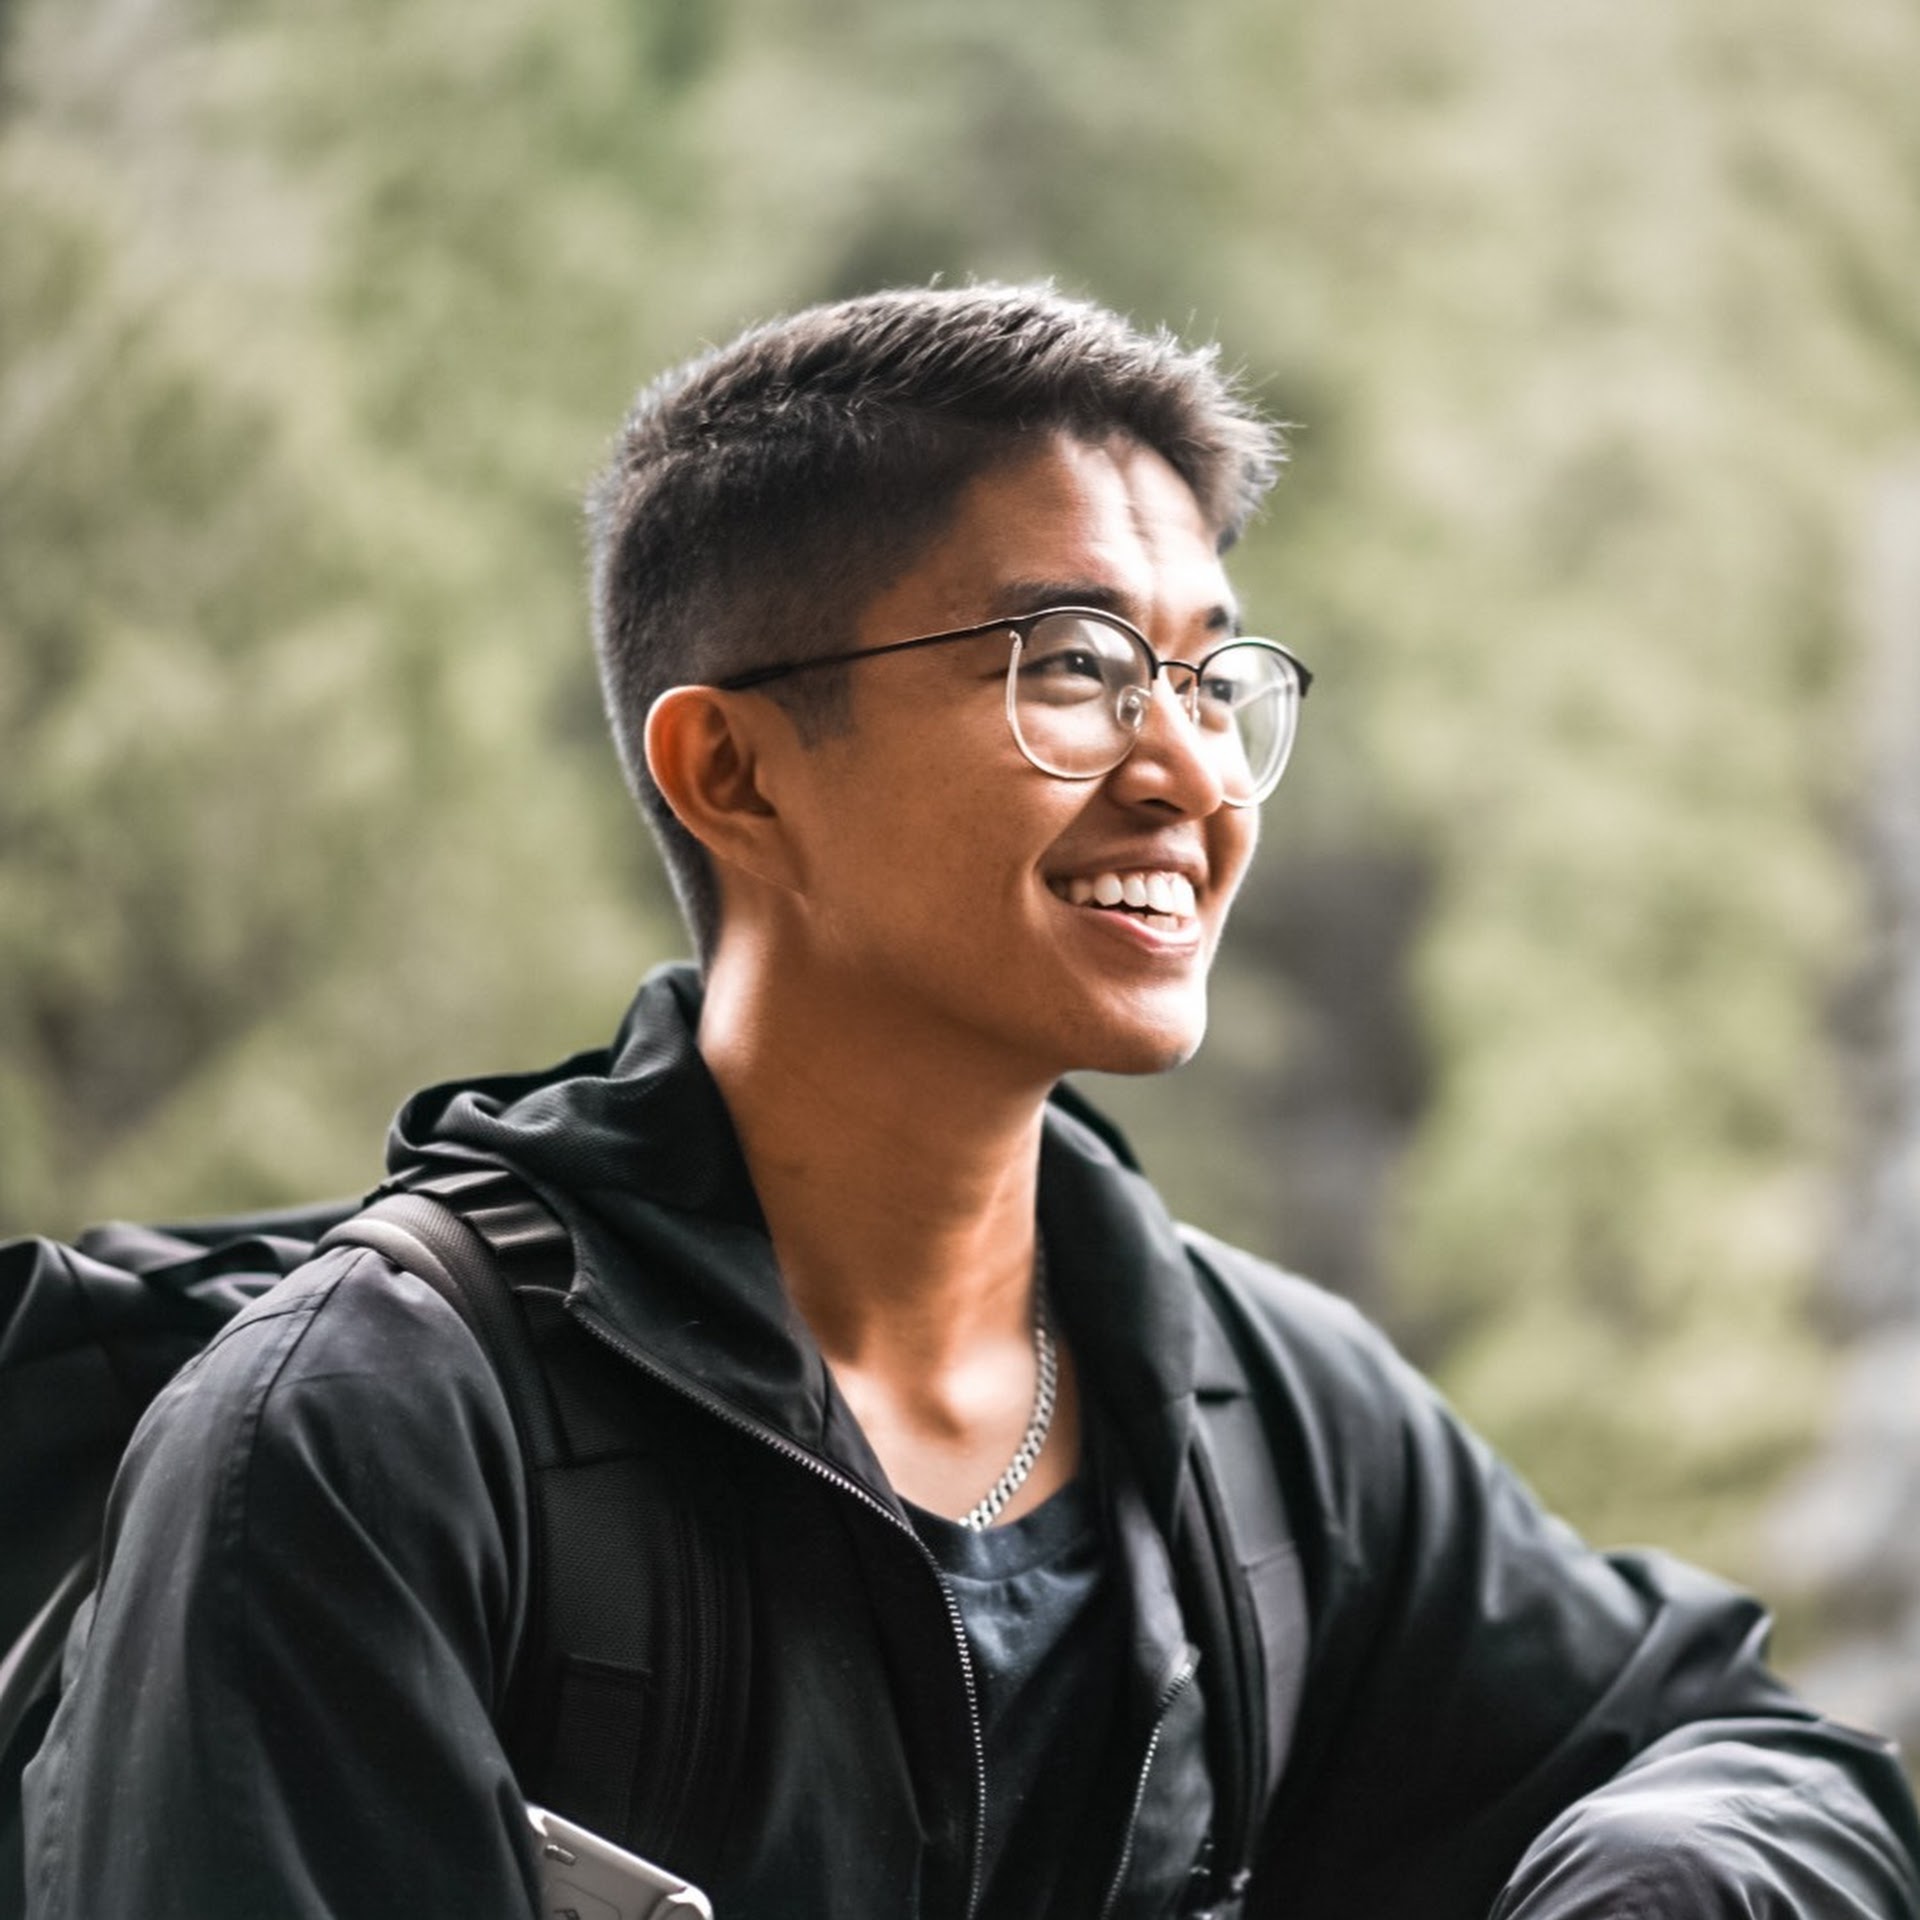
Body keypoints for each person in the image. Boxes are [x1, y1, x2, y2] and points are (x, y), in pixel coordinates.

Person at [22, 284, 1920, 1919]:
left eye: (1214, 674)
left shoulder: (1255, 1407)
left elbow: (1744, 1752)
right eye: (1079, 669)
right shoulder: (367, 1443)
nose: (1192, 771)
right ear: (738, 776)